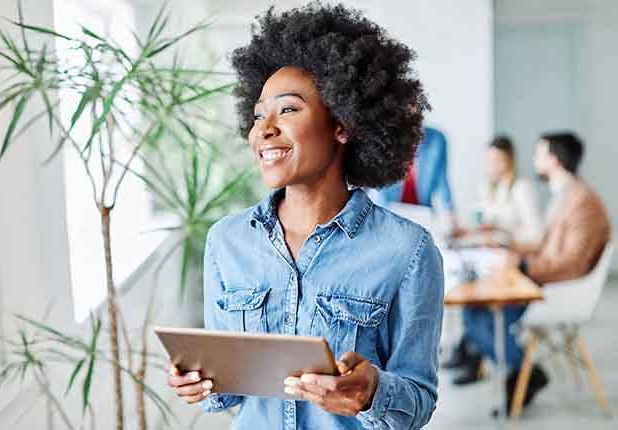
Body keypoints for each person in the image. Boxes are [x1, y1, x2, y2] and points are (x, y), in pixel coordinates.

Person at [166, 4, 444, 430]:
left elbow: (417, 401)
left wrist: (371, 392)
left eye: (288, 110)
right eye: (258, 115)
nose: (264, 129)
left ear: (343, 125)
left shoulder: (408, 251)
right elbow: (225, 397)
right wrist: (200, 383)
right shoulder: (227, 241)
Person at [461, 132, 611, 415]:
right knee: (473, 310)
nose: (533, 160)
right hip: (547, 281)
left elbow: (572, 264)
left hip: (561, 292)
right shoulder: (567, 195)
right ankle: (524, 373)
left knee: (482, 313)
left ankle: (525, 374)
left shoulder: (582, 202)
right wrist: (509, 248)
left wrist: (522, 266)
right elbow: (545, 247)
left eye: (539, 154)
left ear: (553, 160)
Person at [444, 136, 543, 378]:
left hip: (513, 263)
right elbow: (484, 223)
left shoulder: (521, 188)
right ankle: (471, 356)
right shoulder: (488, 186)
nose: (493, 166)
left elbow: (536, 236)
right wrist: (467, 231)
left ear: (510, 160)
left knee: (478, 311)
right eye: (489, 160)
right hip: (491, 259)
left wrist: (505, 235)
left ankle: (520, 370)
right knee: (469, 303)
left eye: (498, 160)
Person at [375, 126, 454, 213]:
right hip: (389, 211)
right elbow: (378, 189)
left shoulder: (436, 140)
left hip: (422, 214)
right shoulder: (384, 137)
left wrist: (450, 216)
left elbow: (442, 184)